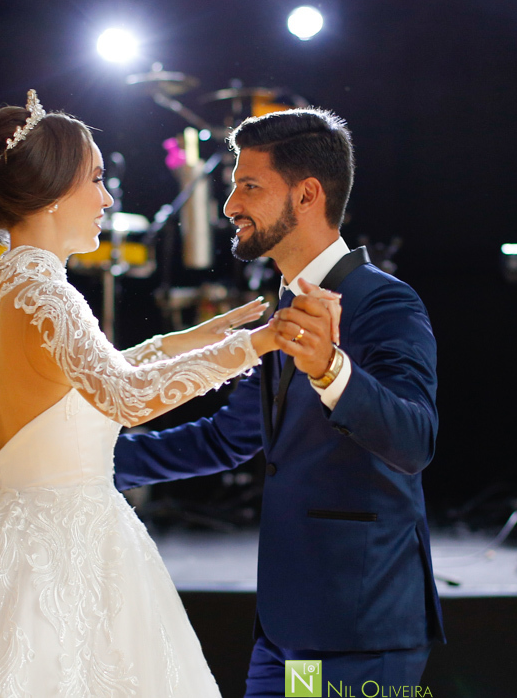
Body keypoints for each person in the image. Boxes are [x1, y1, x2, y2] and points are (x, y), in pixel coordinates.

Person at [0, 90, 335, 697]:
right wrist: (257, 345)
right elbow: (124, 398)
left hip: (14, 528)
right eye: (95, 180)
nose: (107, 199)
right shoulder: (49, 297)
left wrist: (185, 340)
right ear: (49, 192)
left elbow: (82, 385)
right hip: (64, 541)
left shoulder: (2, 293)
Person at [115, 108, 444, 697]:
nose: (230, 205)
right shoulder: (281, 311)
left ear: (308, 195)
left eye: (250, 186)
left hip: (360, 626)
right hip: (290, 622)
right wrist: (89, 462)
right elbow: (228, 438)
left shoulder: (386, 303)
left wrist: (332, 370)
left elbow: (414, 440)